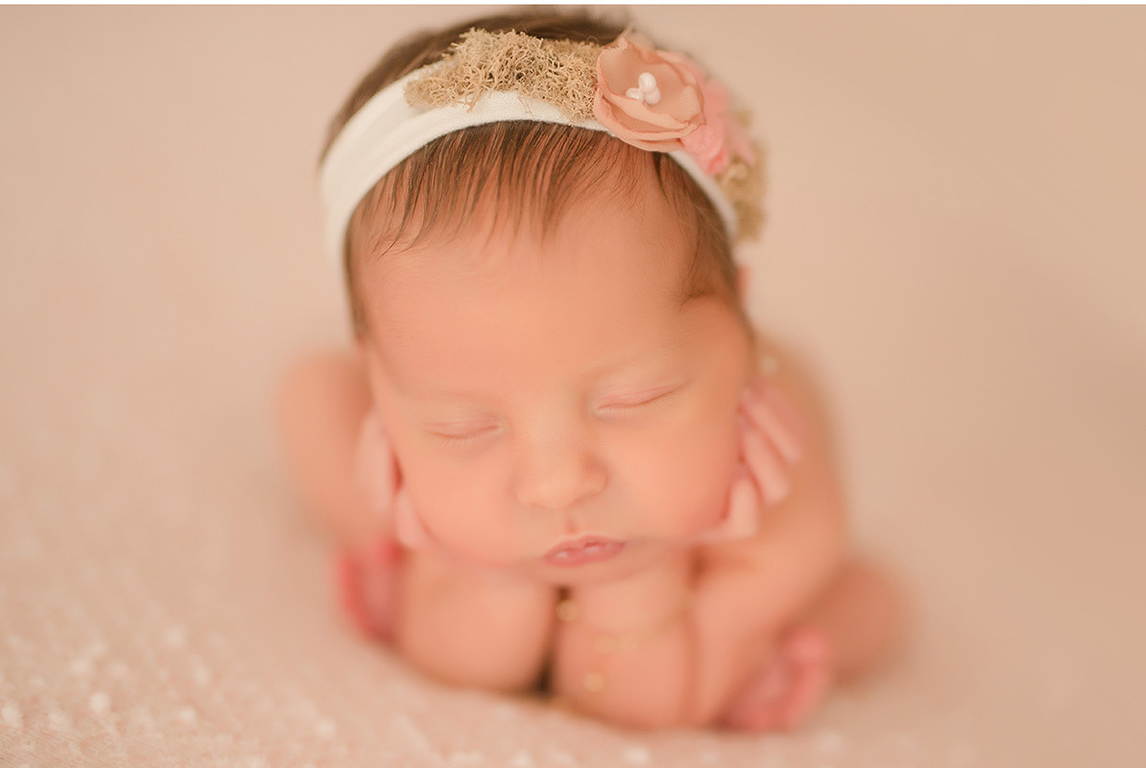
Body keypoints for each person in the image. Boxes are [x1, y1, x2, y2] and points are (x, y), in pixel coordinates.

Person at [279, 10, 904, 731]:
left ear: (740, 320)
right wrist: (486, 575)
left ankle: (746, 640)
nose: (558, 483)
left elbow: (635, 707)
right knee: (313, 397)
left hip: (720, 565)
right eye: (465, 426)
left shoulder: (780, 499)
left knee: (867, 605)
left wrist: (641, 581)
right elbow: (460, 667)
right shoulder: (417, 426)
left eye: (635, 399)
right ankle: (416, 506)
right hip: (444, 492)